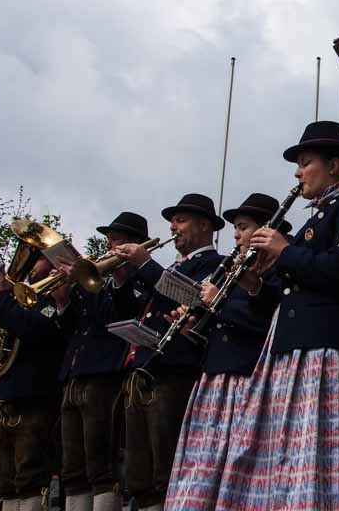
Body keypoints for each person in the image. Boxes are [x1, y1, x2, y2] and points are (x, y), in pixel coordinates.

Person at [224, 120, 339, 510]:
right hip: (296, 348)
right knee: (292, 455)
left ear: (334, 166)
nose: (297, 172)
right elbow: (287, 295)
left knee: (328, 456)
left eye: (306, 162)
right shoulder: (316, 218)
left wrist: (284, 249)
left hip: (332, 348)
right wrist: (254, 285)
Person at [164, 193, 286, 510]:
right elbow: (221, 325)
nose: (236, 235)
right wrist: (195, 325)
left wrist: (217, 303)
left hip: (247, 376)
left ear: (265, 230)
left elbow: (266, 325)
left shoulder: (276, 273)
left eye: (243, 227)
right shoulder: (234, 269)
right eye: (235, 228)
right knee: (204, 465)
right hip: (215, 373)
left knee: (240, 465)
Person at [110, 193, 225, 511]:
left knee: (166, 466)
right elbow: (130, 308)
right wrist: (122, 279)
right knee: (139, 473)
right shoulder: (170, 267)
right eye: (172, 220)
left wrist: (144, 264)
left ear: (204, 226)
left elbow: (187, 295)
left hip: (174, 371)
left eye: (181, 219)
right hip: (144, 368)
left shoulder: (213, 263)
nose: (173, 226)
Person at [57, 212, 147, 511]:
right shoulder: (102, 283)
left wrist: (84, 285)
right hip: (75, 374)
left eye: (117, 240)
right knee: (73, 467)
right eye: (109, 239)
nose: (110, 245)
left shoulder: (135, 281)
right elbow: (74, 328)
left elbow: (113, 319)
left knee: (99, 464)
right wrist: (62, 301)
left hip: (103, 377)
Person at [0, 253, 69, 511]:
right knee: (7, 480)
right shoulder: (22, 302)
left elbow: (31, 328)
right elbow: (3, 349)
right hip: (7, 397)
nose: (30, 267)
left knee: (29, 477)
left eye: (37, 258)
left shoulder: (52, 305)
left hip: (35, 398)